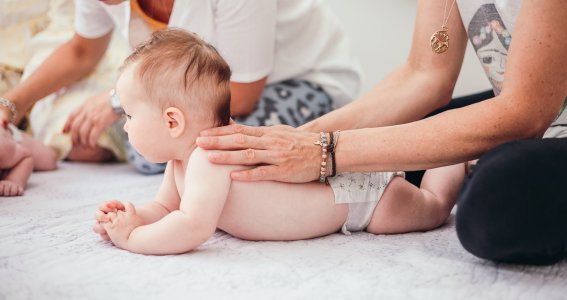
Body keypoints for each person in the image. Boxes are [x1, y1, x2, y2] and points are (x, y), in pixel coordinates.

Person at [195, 0, 567, 265]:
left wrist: (325, 151)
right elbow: (425, 75)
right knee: (392, 167)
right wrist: (294, 141)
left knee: (495, 205)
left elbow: (524, 113)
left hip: (535, 110)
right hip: (525, 103)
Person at [92, 29, 465, 255]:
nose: (126, 127)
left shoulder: (209, 157)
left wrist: (134, 239)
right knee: (416, 199)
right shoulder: (180, 161)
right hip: (335, 186)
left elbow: (192, 226)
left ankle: (454, 158)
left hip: (360, 200)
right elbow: (166, 208)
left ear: (173, 121)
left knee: (430, 210)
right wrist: (133, 217)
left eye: (129, 115)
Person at [0, 0, 362, 174]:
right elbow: (81, 51)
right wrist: (13, 104)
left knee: (191, 151)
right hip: (200, 88)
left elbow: (245, 94)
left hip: (300, 82)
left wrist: (114, 101)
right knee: (152, 142)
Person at [0, 119, 57, 196]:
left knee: (49, 159)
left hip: (14, 138)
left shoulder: (4, 148)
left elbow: (26, 156)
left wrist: (13, 181)